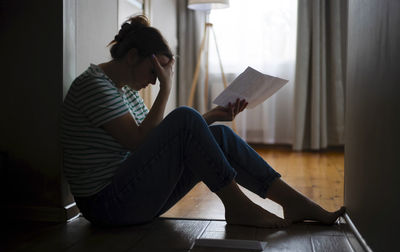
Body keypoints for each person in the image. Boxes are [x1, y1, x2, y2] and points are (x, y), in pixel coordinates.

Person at [62, 15, 345, 228]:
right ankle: (238, 206)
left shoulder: (123, 90)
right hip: (107, 206)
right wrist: (167, 89)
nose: (154, 80)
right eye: (154, 70)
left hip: (129, 195)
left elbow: (155, 141)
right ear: (132, 56)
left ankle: (294, 203)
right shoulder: (94, 86)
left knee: (218, 134)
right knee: (185, 116)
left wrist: (209, 118)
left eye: (159, 74)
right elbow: (138, 142)